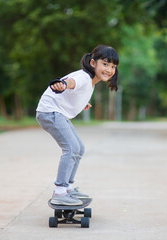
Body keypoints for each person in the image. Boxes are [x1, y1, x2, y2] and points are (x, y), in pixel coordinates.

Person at [36, 45, 119, 205]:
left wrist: (82, 104)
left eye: (113, 66)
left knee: (79, 148)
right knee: (71, 148)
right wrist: (63, 85)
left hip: (58, 113)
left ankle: (68, 188)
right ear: (93, 63)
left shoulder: (91, 82)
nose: (109, 69)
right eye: (106, 64)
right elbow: (71, 82)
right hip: (50, 112)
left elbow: (76, 93)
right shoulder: (84, 77)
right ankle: (60, 192)